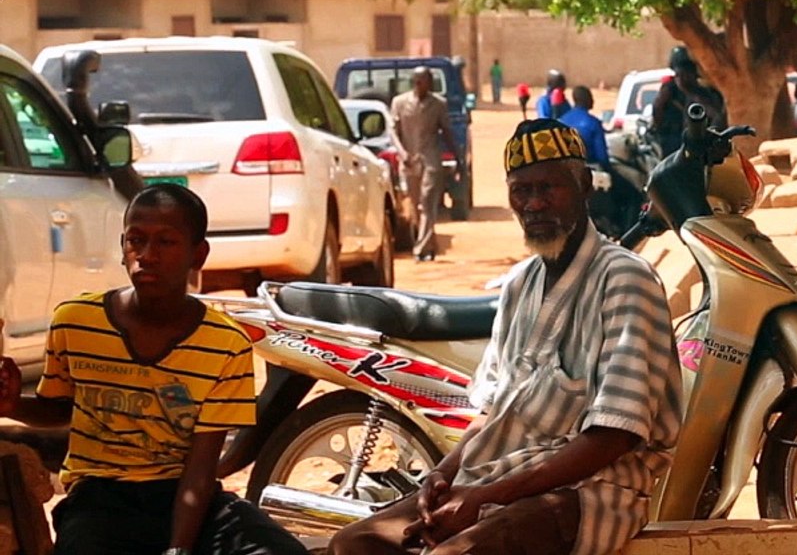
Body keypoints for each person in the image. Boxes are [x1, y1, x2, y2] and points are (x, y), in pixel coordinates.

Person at [327, 119, 683, 555]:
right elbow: (493, 412)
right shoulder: (519, 284)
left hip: (589, 493)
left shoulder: (625, 279)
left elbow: (614, 436)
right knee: (353, 544)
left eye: (548, 188)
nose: (534, 204)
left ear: (585, 186)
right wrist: (441, 474)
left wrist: (484, 497)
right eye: (521, 191)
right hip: (493, 479)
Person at [0, 184, 307, 555]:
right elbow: (60, 408)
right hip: (99, 498)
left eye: (166, 242)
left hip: (187, 495)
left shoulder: (225, 343)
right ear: (122, 247)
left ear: (198, 254)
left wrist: (178, 549)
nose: (147, 255)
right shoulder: (75, 322)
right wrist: (13, 405)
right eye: (136, 240)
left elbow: (201, 466)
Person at [391, 65, 459, 263]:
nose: (421, 84)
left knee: (427, 203)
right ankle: (429, 245)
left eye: (425, 81)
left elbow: (447, 131)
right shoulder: (399, 102)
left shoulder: (439, 104)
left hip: (431, 160)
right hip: (409, 162)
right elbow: (393, 132)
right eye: (418, 81)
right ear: (414, 81)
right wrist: (402, 153)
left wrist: (458, 158)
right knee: (415, 207)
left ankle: (420, 249)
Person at [650, 46, 726, 157]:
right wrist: (662, 99)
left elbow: (717, 117)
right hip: (673, 144)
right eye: (678, 74)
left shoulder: (704, 92)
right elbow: (657, 115)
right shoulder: (670, 90)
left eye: (686, 73)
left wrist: (692, 95)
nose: (682, 78)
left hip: (698, 145)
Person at [558, 86, 609, 168]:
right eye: (591, 97)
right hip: (590, 167)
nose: (593, 101)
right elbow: (602, 156)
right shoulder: (593, 123)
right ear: (586, 99)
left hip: (565, 168)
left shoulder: (561, 121)